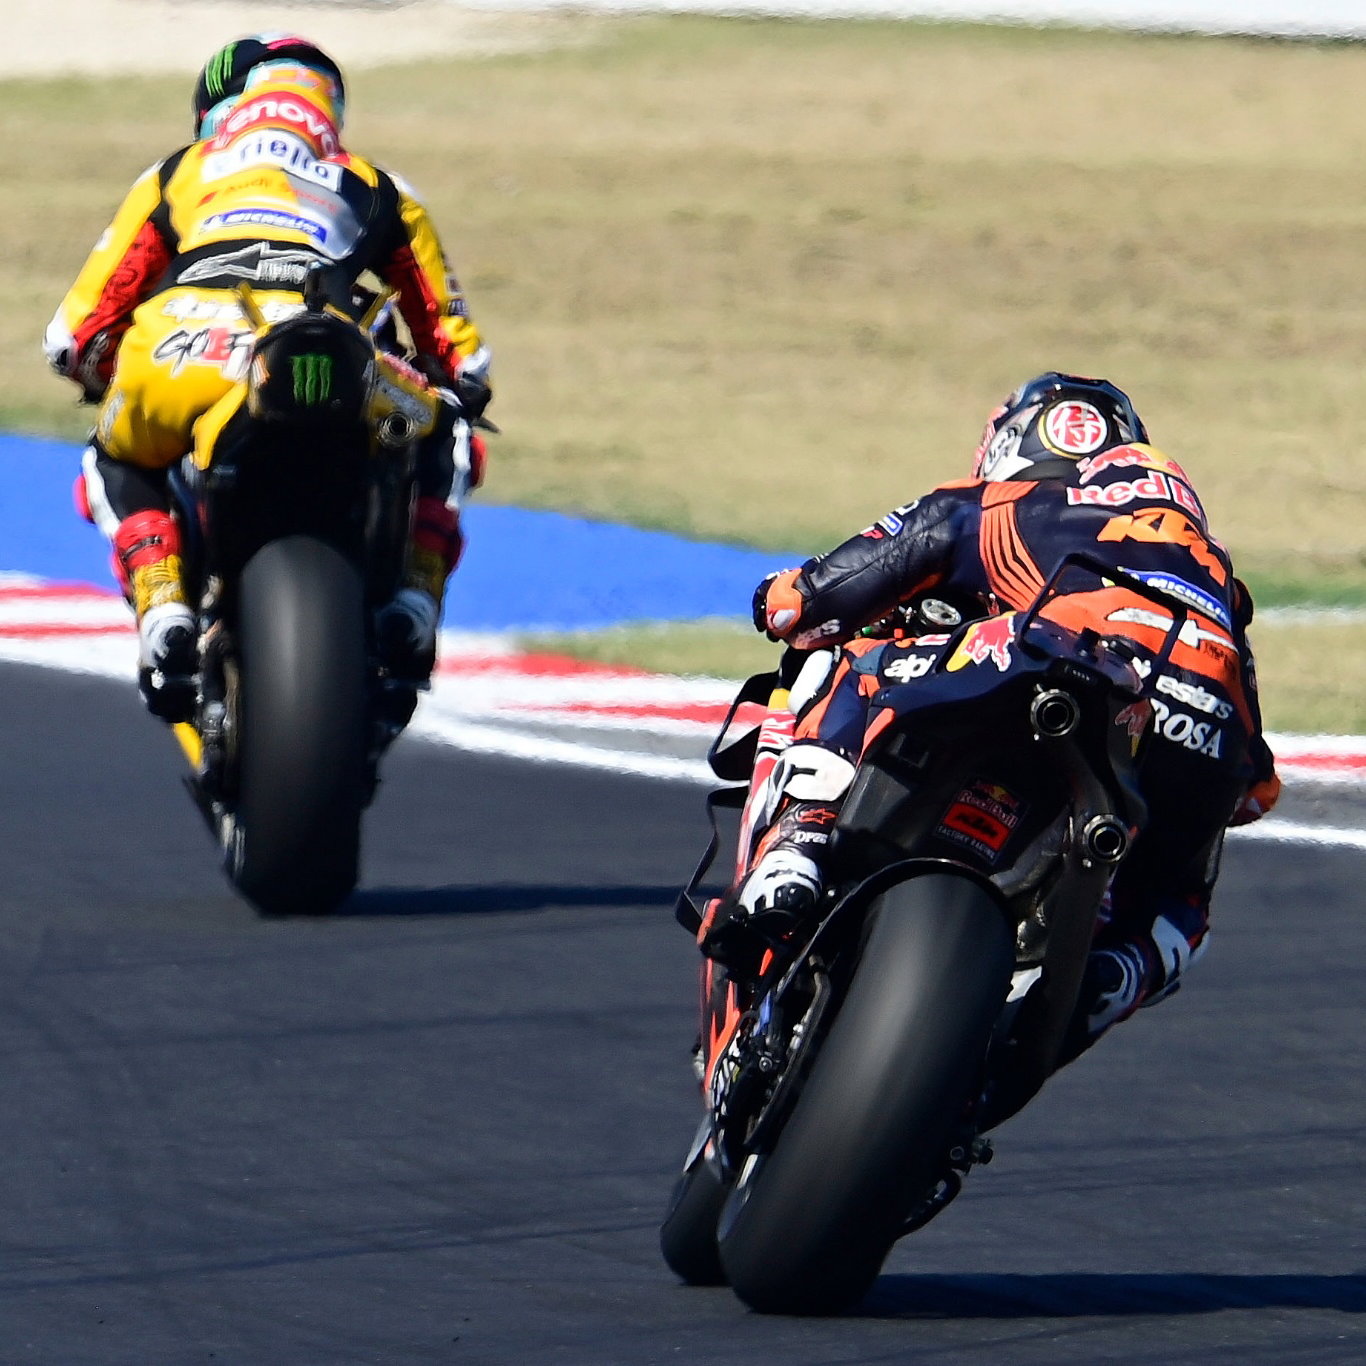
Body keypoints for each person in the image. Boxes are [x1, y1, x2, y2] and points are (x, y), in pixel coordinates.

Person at [717, 372, 1280, 1061]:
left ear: (1011, 441)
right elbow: (1255, 789)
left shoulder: (1014, 504)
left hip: (1052, 660)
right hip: (1199, 734)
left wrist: (785, 597)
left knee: (851, 662)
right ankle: (1115, 975)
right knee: (1182, 909)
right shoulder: (1216, 576)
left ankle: (799, 846)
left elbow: (829, 591)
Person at [43, 32, 491, 715]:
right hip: (334, 359)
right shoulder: (375, 184)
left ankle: (161, 598)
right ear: (329, 116)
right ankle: (416, 599)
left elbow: (73, 335)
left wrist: (99, 366)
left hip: (181, 352)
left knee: (112, 452)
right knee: (445, 434)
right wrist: (455, 386)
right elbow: (457, 345)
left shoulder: (180, 170)